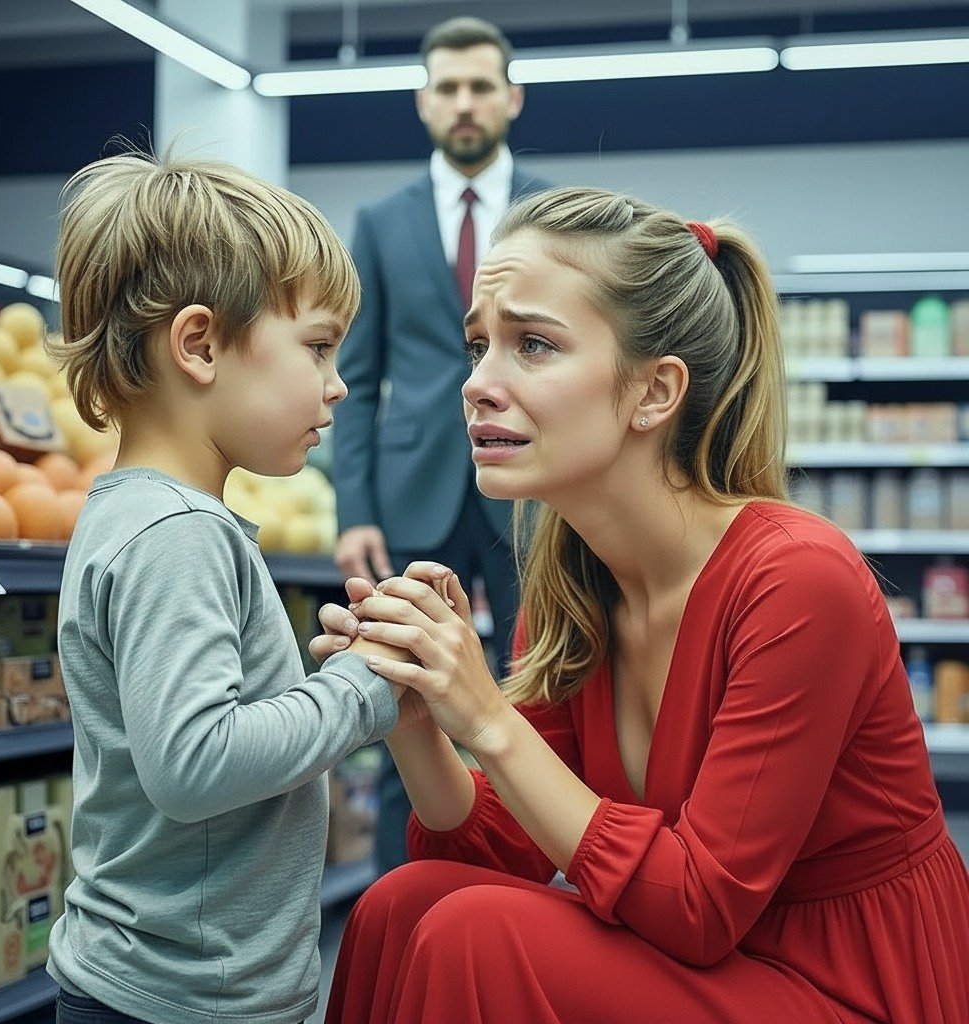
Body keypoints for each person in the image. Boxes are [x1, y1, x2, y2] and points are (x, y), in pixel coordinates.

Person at [314, 187, 969, 1023]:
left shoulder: (800, 581)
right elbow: (504, 851)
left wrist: (485, 718)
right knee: (397, 907)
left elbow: (700, 906)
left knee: (478, 934)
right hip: (708, 961)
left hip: (844, 985)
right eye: (478, 346)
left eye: (534, 345)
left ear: (654, 393)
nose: (478, 384)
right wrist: (415, 718)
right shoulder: (575, 581)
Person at [43, 150, 405, 1024]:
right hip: (177, 1000)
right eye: (317, 347)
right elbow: (195, 763)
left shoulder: (144, 514)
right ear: (199, 344)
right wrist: (362, 687)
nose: (338, 383)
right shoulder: (179, 535)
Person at [332, 15, 548, 875]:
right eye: (448, 88)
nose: (465, 104)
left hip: (529, 489)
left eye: (480, 86)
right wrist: (354, 512)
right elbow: (357, 375)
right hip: (409, 490)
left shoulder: (551, 212)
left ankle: (523, 882)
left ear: (511, 97)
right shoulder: (381, 222)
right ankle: (408, 890)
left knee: (536, 687)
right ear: (425, 102)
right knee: (404, 696)